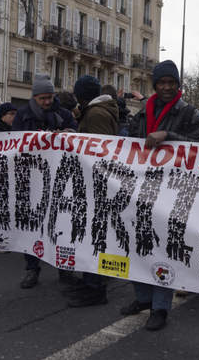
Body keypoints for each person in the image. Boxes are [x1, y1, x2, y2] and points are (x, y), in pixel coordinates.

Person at [120, 60, 199, 331]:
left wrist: (168, 136)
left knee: (163, 248)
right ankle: (143, 298)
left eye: (171, 82)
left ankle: (160, 307)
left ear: (178, 85)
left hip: (172, 193)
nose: (167, 87)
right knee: (136, 244)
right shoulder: (142, 113)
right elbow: (127, 142)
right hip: (141, 190)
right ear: (155, 85)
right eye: (162, 83)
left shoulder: (190, 113)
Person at [12, 74, 77, 289]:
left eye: (50, 97)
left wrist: (69, 133)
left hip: (59, 179)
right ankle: (32, 268)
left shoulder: (64, 114)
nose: (47, 102)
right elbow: (14, 143)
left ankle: (65, 268)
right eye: (43, 98)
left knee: (61, 225)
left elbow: (78, 138)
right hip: (31, 179)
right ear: (34, 97)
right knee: (31, 226)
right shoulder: (22, 115)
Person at [66, 75, 119, 307]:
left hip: (95, 184)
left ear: (82, 96)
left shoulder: (96, 114)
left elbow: (99, 151)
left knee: (93, 235)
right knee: (91, 234)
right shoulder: (96, 111)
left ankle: (95, 288)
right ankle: (90, 281)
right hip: (94, 183)